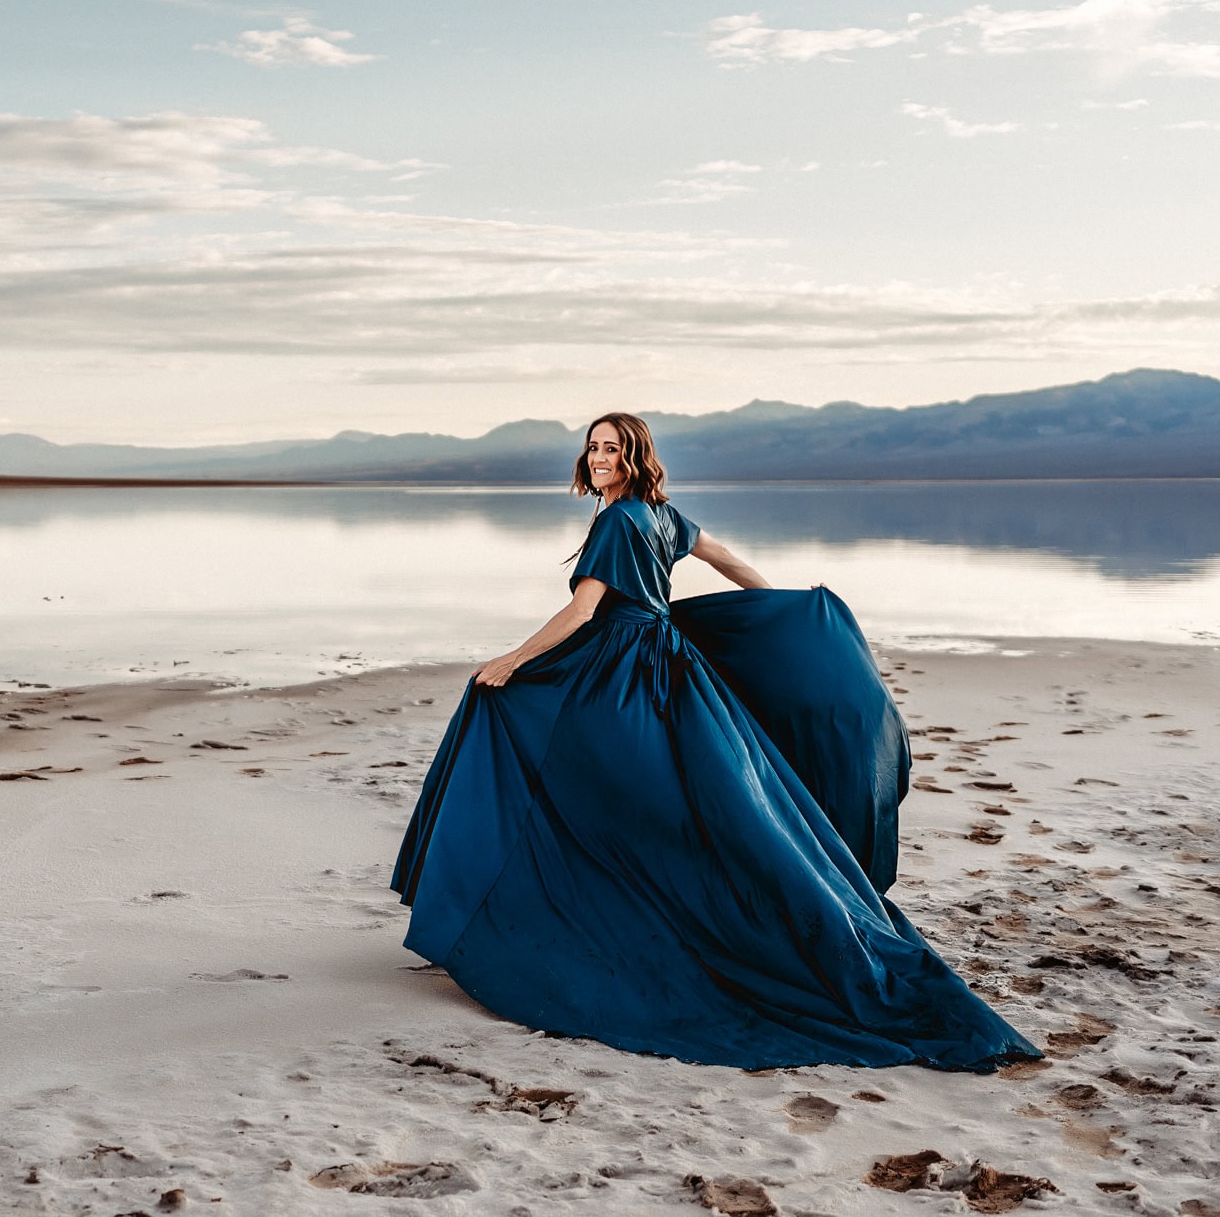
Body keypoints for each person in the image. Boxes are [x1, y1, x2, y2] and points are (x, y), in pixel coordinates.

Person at [390, 412, 1039, 1071]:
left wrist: (513, 660)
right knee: (683, 803)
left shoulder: (619, 521)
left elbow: (585, 611)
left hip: (618, 672)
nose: (599, 457)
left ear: (635, 456)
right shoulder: (664, 517)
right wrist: (780, 612)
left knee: (513, 721)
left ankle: (554, 919)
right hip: (671, 662)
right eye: (592, 448)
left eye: (612, 449)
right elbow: (725, 559)